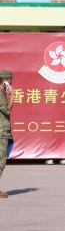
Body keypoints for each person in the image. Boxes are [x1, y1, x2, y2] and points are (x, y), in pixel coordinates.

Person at [0, 70, 13, 198]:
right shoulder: (1, 94)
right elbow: (7, 110)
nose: (11, 82)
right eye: (9, 80)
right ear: (4, 80)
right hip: (1, 132)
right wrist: (12, 95)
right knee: (0, 161)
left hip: (3, 131)